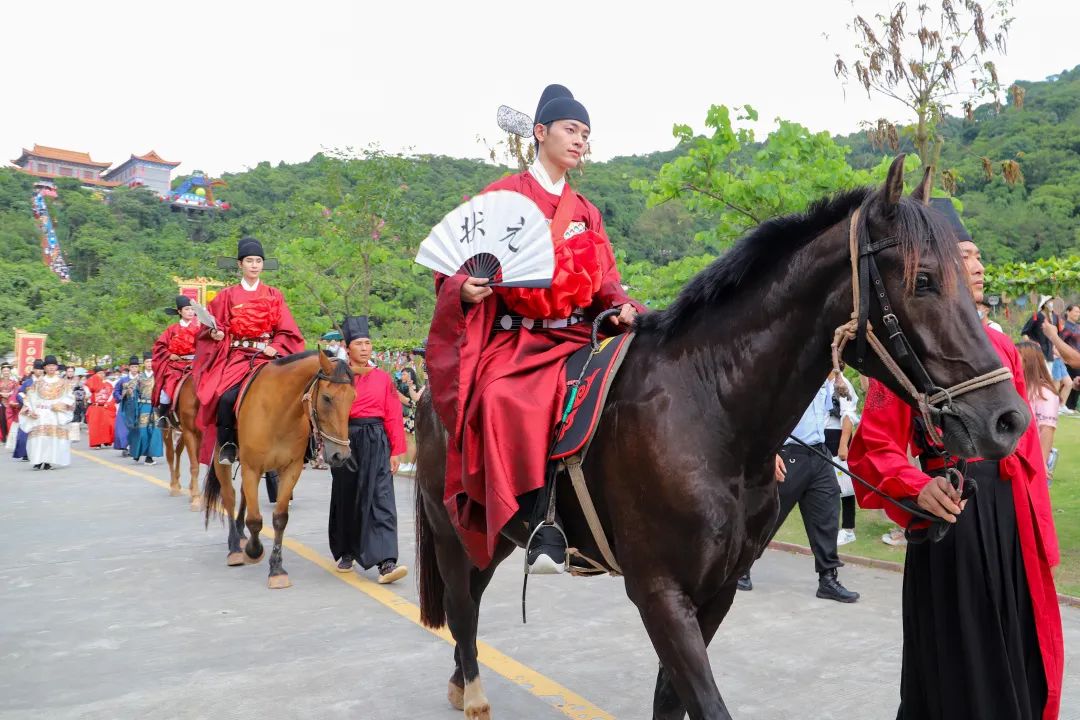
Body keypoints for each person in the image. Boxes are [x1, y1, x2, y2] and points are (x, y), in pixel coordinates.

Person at [847, 199, 1063, 720]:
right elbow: (874, 446)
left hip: (1009, 512)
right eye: (964, 255)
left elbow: (1023, 441)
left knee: (1017, 633)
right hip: (952, 510)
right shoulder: (904, 351)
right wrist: (914, 485)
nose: (979, 264)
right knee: (960, 647)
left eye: (979, 254)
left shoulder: (1000, 345)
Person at [427, 84, 643, 573]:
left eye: (586, 133)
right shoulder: (502, 195)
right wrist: (462, 287)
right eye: (571, 129)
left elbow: (606, 279)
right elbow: (454, 267)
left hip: (576, 334)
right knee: (505, 398)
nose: (580, 140)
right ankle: (538, 523)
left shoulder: (586, 211)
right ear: (540, 132)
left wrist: (623, 304)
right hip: (516, 338)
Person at [737, 378, 860, 602]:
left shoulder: (826, 378)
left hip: (819, 453)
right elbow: (761, 412)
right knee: (769, 513)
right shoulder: (790, 370)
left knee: (827, 515)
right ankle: (740, 568)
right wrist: (770, 452)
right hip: (788, 452)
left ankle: (828, 579)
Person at [194, 237, 304, 465]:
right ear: (240, 264)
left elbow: (287, 330)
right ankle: (227, 445)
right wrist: (217, 334)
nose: (254, 265)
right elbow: (214, 326)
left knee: (298, 396)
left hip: (268, 356)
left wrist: (276, 345)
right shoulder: (226, 295)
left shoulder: (274, 295)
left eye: (258, 261)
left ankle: (304, 445)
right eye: (249, 261)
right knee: (224, 398)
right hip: (237, 357)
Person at [328, 316, 408, 584]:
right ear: (347, 347)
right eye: (359, 343)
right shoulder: (337, 377)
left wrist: (395, 450)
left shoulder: (383, 378)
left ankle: (387, 562)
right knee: (347, 495)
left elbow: (393, 415)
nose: (365, 348)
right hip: (346, 439)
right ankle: (347, 550)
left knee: (381, 498)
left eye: (368, 343)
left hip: (376, 439)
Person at [152, 295, 201, 425]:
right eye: (187, 309)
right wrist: (169, 354)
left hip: (196, 365)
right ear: (179, 311)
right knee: (166, 393)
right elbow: (159, 346)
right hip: (176, 366)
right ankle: (163, 417)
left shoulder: (200, 328)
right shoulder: (172, 330)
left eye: (192, 309)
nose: (190, 312)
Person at [20, 355, 74, 470]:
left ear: (56, 367)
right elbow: (30, 398)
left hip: (55, 413)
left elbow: (69, 397)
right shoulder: (38, 382)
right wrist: (30, 411)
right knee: (39, 438)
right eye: (49, 365)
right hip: (41, 413)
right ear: (45, 367)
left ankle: (49, 461)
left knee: (52, 438)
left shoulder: (63, 383)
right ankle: (38, 460)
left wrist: (60, 405)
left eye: (53, 365)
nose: (51, 368)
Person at [825, 365, 859, 545]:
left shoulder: (842, 383)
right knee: (827, 485)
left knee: (845, 486)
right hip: (822, 435)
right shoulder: (823, 383)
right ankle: (828, 526)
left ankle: (848, 529)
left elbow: (848, 416)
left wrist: (843, 445)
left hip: (837, 435)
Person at [1017, 341, 1059, 473]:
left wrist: (1040, 463)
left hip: (1030, 458)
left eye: (1016, 357)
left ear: (1029, 362)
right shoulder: (1019, 387)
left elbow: (1047, 429)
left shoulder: (1044, 393)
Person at [124, 352, 163, 465]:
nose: (149, 364)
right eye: (147, 361)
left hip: (155, 407)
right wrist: (129, 391)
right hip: (144, 407)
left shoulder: (158, 376)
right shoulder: (139, 377)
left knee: (154, 431)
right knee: (142, 431)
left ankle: (149, 456)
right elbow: (129, 388)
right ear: (144, 363)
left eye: (151, 361)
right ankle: (137, 453)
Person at [12, 361, 43, 461]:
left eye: (41, 369)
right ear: (33, 370)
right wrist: (26, 403)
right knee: (25, 431)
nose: (40, 371)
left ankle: (40, 453)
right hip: (28, 409)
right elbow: (20, 394)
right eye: (38, 368)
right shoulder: (27, 382)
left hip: (42, 410)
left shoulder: (46, 382)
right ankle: (25, 453)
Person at [112, 356, 140, 456]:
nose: (134, 369)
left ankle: (135, 446)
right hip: (125, 405)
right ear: (129, 367)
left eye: (136, 367)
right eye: (132, 367)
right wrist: (121, 396)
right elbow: (116, 391)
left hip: (138, 405)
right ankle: (126, 446)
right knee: (124, 427)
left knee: (136, 427)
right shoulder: (123, 380)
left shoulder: (142, 379)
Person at [84, 366, 116, 449]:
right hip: (96, 407)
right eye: (99, 373)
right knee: (96, 426)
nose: (101, 375)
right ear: (95, 375)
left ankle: (106, 441)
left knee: (108, 424)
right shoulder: (91, 382)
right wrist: (88, 393)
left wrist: (109, 403)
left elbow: (113, 394)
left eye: (102, 373)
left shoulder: (109, 383)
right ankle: (97, 443)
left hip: (106, 406)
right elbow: (87, 389)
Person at [0, 363, 17, 443]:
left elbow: (16, 391)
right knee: (2, 420)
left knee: (10, 421)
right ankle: (3, 437)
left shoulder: (14, 382)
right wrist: (1, 394)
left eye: (7, 371)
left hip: (11, 404)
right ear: (2, 372)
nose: (6, 372)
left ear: (10, 372)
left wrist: (10, 394)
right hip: (1, 402)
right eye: (4, 371)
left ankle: (10, 437)